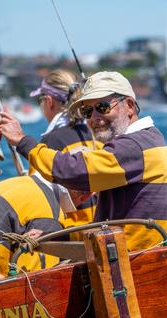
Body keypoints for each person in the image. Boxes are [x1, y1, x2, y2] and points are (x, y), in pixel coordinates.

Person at [0, 71, 167, 251]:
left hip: (146, 266)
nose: (95, 118)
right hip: (144, 259)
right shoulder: (146, 139)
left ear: (129, 106)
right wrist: (59, 236)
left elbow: (74, 171)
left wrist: (23, 142)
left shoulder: (135, 146)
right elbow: (109, 223)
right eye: (88, 111)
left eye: (103, 107)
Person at [29, 69, 101, 232]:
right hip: (103, 228)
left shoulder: (50, 142)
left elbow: (38, 197)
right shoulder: (93, 134)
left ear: (49, 101)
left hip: (72, 235)